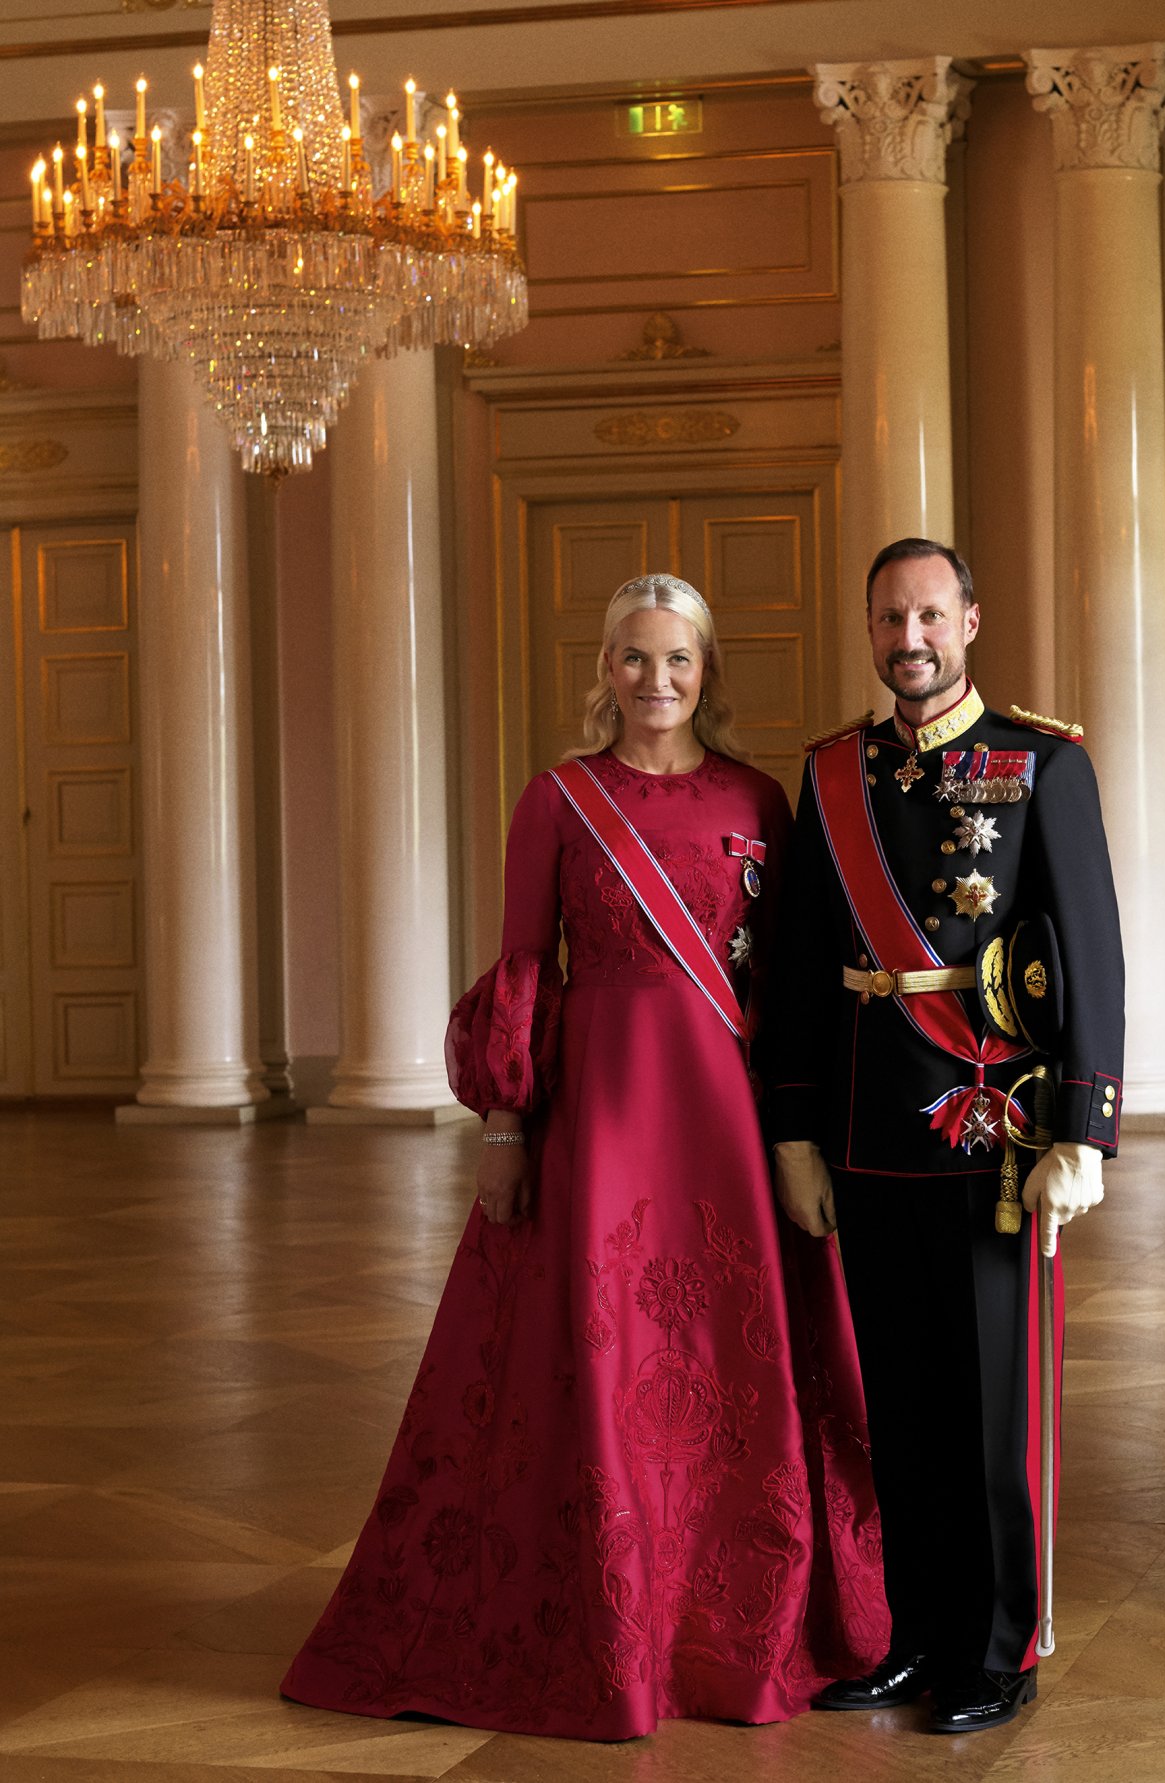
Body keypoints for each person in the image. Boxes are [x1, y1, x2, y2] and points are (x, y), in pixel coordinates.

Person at [281, 572, 889, 1740]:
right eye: (633, 658)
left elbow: (791, 984)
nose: (655, 681)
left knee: (728, 1361)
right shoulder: (557, 800)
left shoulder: (761, 801)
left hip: (726, 1126)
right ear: (603, 669)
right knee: (606, 1365)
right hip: (601, 1129)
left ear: (708, 673)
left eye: (678, 660)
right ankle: (614, 1628)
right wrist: (504, 1129)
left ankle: (730, 1630)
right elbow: (525, 968)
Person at [765, 537, 1124, 1735]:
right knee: (903, 1404)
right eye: (886, 619)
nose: (906, 640)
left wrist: (1086, 1127)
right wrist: (795, 1134)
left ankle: (1000, 1645)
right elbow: (803, 972)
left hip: (996, 1135)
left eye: (927, 616)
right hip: (869, 1130)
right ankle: (917, 1634)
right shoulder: (830, 776)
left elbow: (1094, 951)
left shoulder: (1042, 763)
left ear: (969, 619)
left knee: (990, 1413)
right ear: (869, 630)